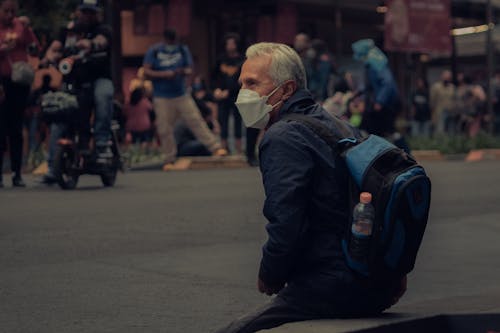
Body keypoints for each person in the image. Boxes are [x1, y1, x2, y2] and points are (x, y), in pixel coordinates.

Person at [215, 42, 406, 333]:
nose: (243, 93)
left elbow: (286, 220)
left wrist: (270, 275)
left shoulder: (282, 136)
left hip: (331, 281)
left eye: (252, 83)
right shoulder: (332, 122)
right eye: (242, 83)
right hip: (374, 276)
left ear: (286, 89)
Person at [40, 0, 114, 184]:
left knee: (102, 96)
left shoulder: (103, 29)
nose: (87, 16)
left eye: (91, 12)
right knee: (59, 114)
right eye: (84, 12)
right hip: (73, 82)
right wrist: (49, 57)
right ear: (77, 12)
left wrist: (90, 45)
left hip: (98, 79)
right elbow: (54, 47)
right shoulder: (67, 31)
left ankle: (103, 144)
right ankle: (52, 167)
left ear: (97, 14)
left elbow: (101, 41)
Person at [143, 28, 226, 171]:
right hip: (161, 95)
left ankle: (215, 147)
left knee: (195, 120)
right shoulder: (155, 50)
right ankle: (169, 158)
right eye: (170, 40)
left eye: (174, 40)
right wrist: (164, 74)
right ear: (164, 39)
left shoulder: (182, 49)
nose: (172, 43)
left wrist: (181, 72)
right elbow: (146, 70)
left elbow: (189, 68)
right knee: (164, 128)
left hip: (181, 94)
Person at [0, 0, 39, 187]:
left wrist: (27, 30)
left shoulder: (20, 25)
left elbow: (34, 48)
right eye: (6, 11)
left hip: (19, 82)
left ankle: (17, 172)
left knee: (16, 128)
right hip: (1, 81)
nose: (9, 15)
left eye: (12, 12)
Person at [213, 33, 244, 154]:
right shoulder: (220, 59)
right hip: (222, 96)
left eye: (232, 43)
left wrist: (230, 91)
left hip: (236, 95)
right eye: (228, 43)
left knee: (238, 121)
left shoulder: (242, 60)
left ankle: (239, 148)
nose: (230, 46)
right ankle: (224, 148)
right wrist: (216, 89)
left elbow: (242, 79)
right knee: (223, 121)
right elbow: (214, 77)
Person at [430, 69, 455, 135]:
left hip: (451, 111)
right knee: (440, 131)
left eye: (448, 77)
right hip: (440, 112)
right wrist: (433, 114)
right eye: (445, 76)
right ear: (442, 76)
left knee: (451, 131)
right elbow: (432, 101)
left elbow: (455, 99)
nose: (447, 78)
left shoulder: (452, 87)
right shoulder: (436, 87)